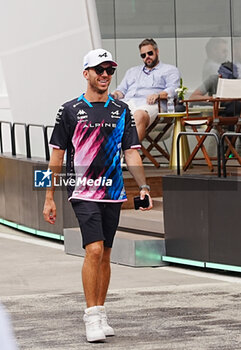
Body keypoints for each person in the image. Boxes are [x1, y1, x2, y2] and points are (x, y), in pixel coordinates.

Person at [43, 48, 152, 343]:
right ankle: (91, 316)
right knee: (92, 250)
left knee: (105, 253)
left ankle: (101, 311)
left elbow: (131, 152)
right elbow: (56, 155)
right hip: (83, 190)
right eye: (99, 70)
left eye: (109, 71)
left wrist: (143, 187)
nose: (105, 75)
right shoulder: (69, 110)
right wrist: (49, 195)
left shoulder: (122, 110)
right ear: (86, 73)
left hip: (113, 192)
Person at [112, 38, 180, 141]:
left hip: (151, 105)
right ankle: (107, 153)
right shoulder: (132, 71)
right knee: (106, 112)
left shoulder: (169, 70)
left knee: (138, 114)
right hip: (129, 102)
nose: (147, 57)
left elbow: (173, 89)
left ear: (157, 52)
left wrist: (158, 95)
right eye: (143, 55)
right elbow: (121, 90)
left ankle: (130, 154)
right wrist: (115, 95)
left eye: (150, 53)